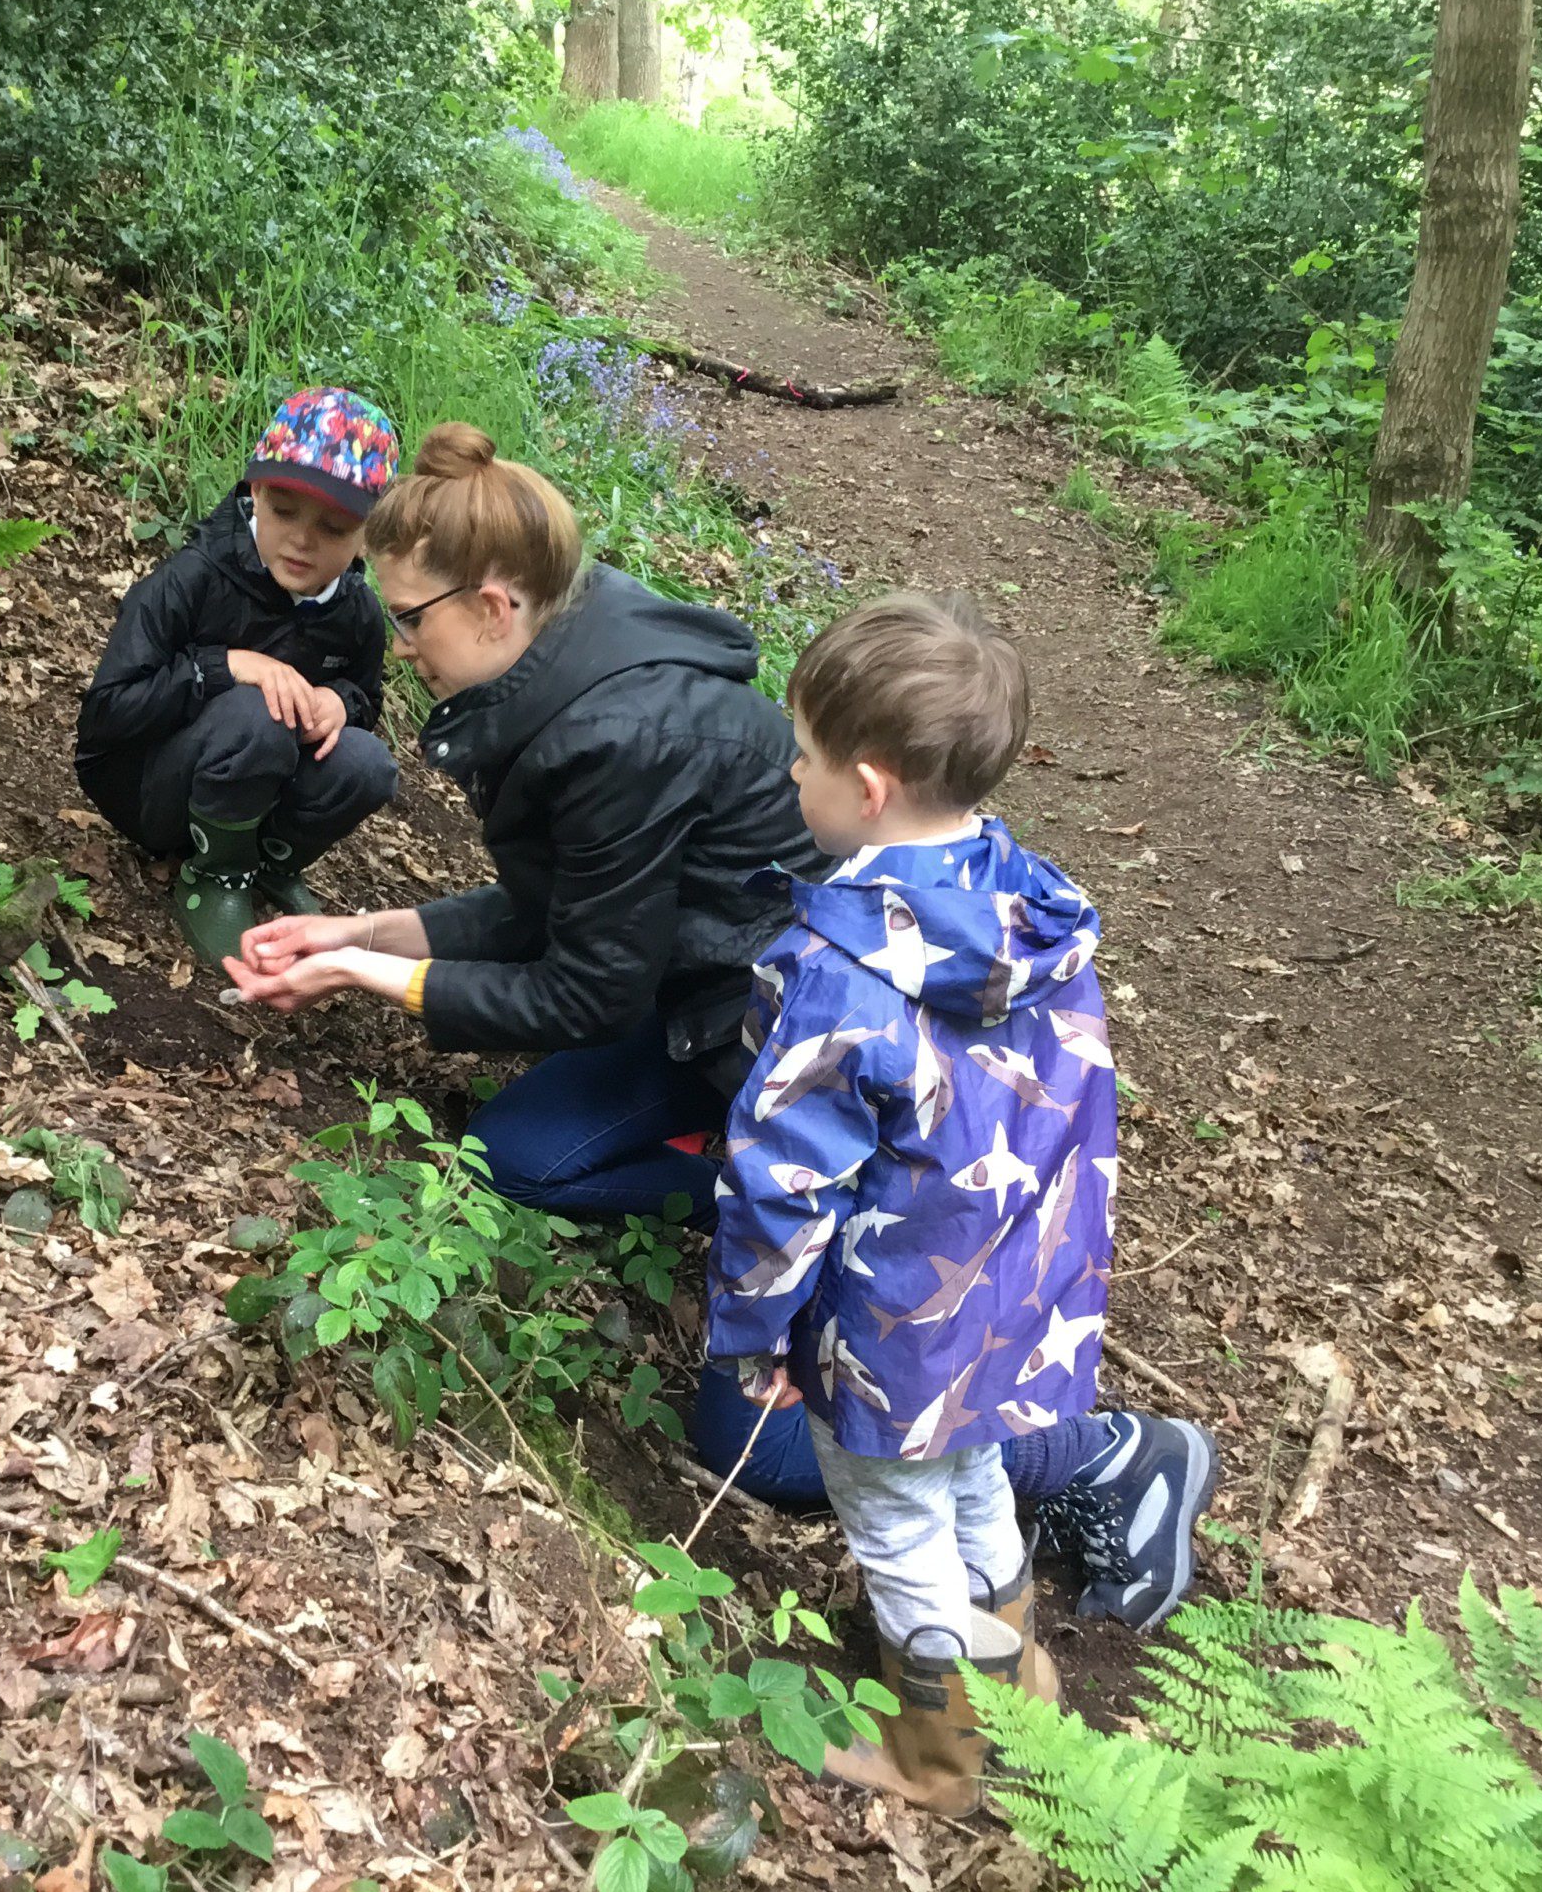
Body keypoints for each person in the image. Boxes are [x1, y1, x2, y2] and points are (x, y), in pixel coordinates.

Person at [220, 422, 1212, 1628]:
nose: (398, 642)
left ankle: (1106, 1454)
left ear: (490, 606)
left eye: (408, 616)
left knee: (772, 1452)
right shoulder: (568, 666)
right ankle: (733, 1185)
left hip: (821, 1112)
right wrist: (366, 934)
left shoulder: (640, 757)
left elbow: (585, 991)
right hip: (713, 1023)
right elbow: (565, 918)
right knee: (521, 1158)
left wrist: (366, 979)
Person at [710, 592, 1121, 1811]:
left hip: (889, 1319)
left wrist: (759, 1334)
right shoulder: (1030, 915)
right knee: (978, 1485)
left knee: (894, 1525)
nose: (791, 778)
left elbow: (782, 1181)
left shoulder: (841, 974)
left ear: (871, 788)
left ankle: (935, 1761)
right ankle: (1022, 1703)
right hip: (1016, 1288)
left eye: (803, 757)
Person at [75, 388, 403, 963]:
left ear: (366, 537)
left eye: (333, 528)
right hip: (147, 787)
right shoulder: (193, 579)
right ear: (255, 490)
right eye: (284, 511)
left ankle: (270, 862)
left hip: (260, 782)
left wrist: (338, 704)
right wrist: (222, 666)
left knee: (369, 764)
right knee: (259, 712)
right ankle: (214, 875)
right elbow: (105, 714)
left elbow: (365, 698)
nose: (302, 538)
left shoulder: (357, 614)